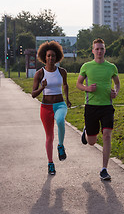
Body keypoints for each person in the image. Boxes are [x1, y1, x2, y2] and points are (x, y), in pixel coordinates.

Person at [76, 38, 120, 180]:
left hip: (107, 107)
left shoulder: (111, 67)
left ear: (104, 50)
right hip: (91, 107)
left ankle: (104, 169)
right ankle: (86, 130)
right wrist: (87, 88)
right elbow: (78, 84)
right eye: (97, 49)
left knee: (107, 135)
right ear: (93, 50)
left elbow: (117, 84)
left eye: (102, 48)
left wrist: (115, 92)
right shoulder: (86, 66)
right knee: (92, 142)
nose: (99, 51)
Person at [32, 41, 71, 175]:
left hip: (60, 104)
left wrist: (67, 99)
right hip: (46, 107)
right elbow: (33, 94)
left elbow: (65, 85)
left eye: (53, 56)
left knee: (60, 120)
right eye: (48, 56)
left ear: (57, 57)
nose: (51, 58)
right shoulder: (39, 74)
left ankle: (60, 146)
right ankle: (50, 163)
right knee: (49, 137)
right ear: (44, 57)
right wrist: (42, 87)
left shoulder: (62, 71)